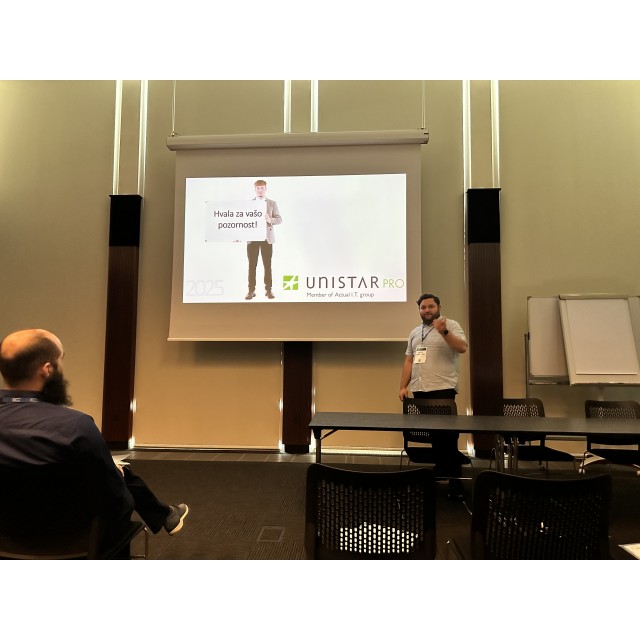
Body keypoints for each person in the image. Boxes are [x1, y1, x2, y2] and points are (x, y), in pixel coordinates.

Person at [0, 328, 189, 556]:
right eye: (60, 361)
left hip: (5, 539)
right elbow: (117, 501)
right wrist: (116, 477)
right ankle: (164, 514)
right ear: (47, 370)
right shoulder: (75, 426)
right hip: (74, 544)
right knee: (116, 477)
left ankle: (165, 513)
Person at [399, 293, 469, 499]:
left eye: (431, 306)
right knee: (434, 436)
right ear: (419, 310)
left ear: (439, 307)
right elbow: (409, 360)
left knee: (447, 437)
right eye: (423, 307)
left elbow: (462, 348)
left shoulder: (451, 325)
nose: (427, 310)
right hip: (420, 389)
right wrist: (403, 386)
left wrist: (443, 331)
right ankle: (441, 472)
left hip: (442, 389)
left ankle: (456, 485)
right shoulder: (415, 332)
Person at [245, 179, 282, 300]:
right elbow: (242, 222)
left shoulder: (272, 203)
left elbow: (279, 219)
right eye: (258, 188)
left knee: (267, 265)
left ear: (266, 189)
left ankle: (269, 290)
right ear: (255, 189)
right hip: (252, 239)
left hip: (267, 239)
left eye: (262, 188)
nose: (260, 190)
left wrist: (270, 220)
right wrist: (239, 235)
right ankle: (251, 290)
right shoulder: (248, 204)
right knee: (252, 266)